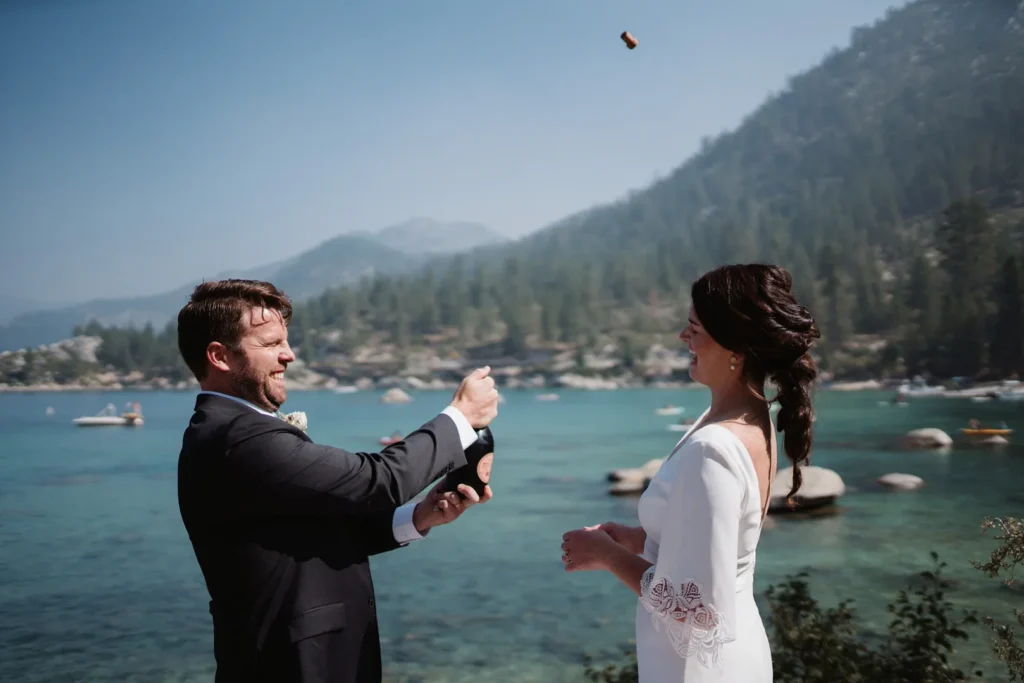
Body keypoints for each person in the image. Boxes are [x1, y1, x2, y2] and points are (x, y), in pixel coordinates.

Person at [175, 279, 499, 683]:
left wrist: (420, 517)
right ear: (220, 356)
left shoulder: (232, 431)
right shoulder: (236, 437)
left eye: (285, 342)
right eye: (272, 343)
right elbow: (376, 480)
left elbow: (316, 534)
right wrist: (460, 416)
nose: (289, 355)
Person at [560, 264, 820, 682]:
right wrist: (643, 540)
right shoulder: (751, 419)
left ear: (734, 349)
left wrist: (608, 556)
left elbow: (694, 612)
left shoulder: (713, 448)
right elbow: (718, 542)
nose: (684, 338)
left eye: (694, 328)